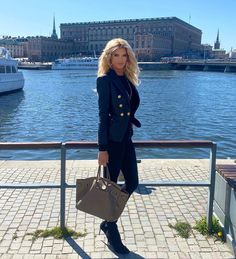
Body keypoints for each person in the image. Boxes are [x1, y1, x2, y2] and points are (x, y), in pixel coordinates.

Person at [96, 38, 141, 254]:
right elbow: (102, 116)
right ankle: (111, 230)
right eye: (116, 55)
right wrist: (102, 148)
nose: (121, 60)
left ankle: (107, 221)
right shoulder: (105, 80)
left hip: (126, 139)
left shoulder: (128, 79)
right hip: (112, 142)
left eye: (124, 55)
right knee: (111, 186)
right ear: (109, 57)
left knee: (132, 182)